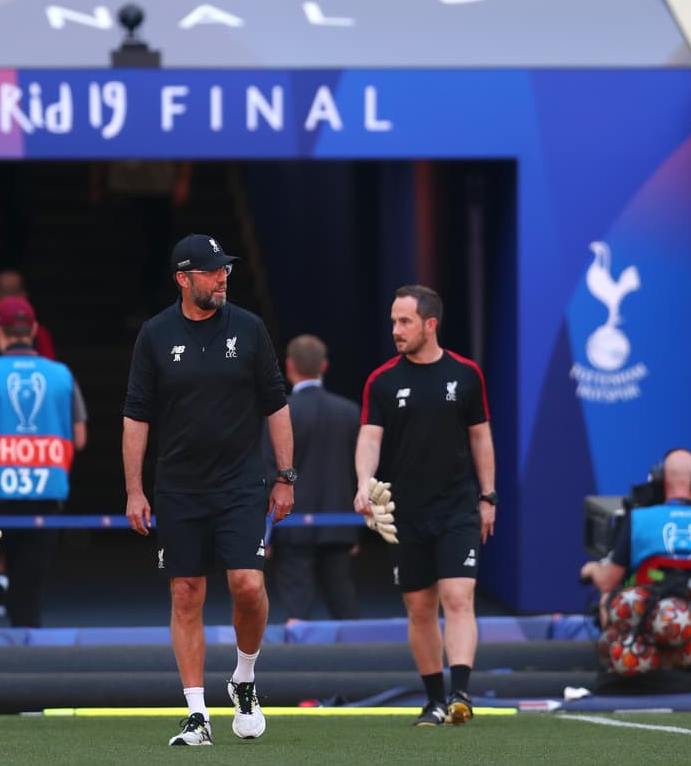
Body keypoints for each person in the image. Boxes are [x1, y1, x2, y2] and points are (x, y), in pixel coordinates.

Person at [123, 234, 294, 746]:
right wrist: (134, 489)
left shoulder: (249, 327)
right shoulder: (154, 335)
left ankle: (244, 676)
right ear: (183, 278)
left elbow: (277, 406)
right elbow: (136, 416)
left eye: (226, 270)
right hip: (178, 487)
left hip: (242, 483)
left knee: (247, 585)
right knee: (185, 592)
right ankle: (197, 713)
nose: (223, 277)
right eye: (212, 270)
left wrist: (285, 476)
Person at [353, 284, 496, 727]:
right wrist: (363, 484)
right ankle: (433, 699)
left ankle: (461, 693)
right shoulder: (382, 380)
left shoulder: (466, 374)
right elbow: (369, 438)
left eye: (405, 321)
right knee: (419, 607)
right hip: (404, 511)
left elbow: (481, 437)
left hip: (457, 507)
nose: (396, 329)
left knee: (457, 597)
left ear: (430, 324)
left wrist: (488, 495)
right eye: (394, 321)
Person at [580, 448, 691, 672]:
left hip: (644, 613)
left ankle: (620, 661)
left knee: (609, 592)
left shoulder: (639, 520)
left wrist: (593, 569)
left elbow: (608, 581)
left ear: (658, 479)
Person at [0, 295, 87, 627]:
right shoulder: (61, 375)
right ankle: (26, 673)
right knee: (28, 598)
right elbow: (79, 439)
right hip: (46, 496)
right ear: (34, 330)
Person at [263, 334, 361, 622]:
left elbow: (269, 472)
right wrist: (355, 525)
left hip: (290, 524)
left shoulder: (280, 415)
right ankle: (361, 664)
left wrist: (265, 530)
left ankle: (300, 666)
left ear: (289, 366)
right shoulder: (350, 412)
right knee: (344, 605)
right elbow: (360, 471)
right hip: (339, 522)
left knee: (297, 610)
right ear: (325, 366)